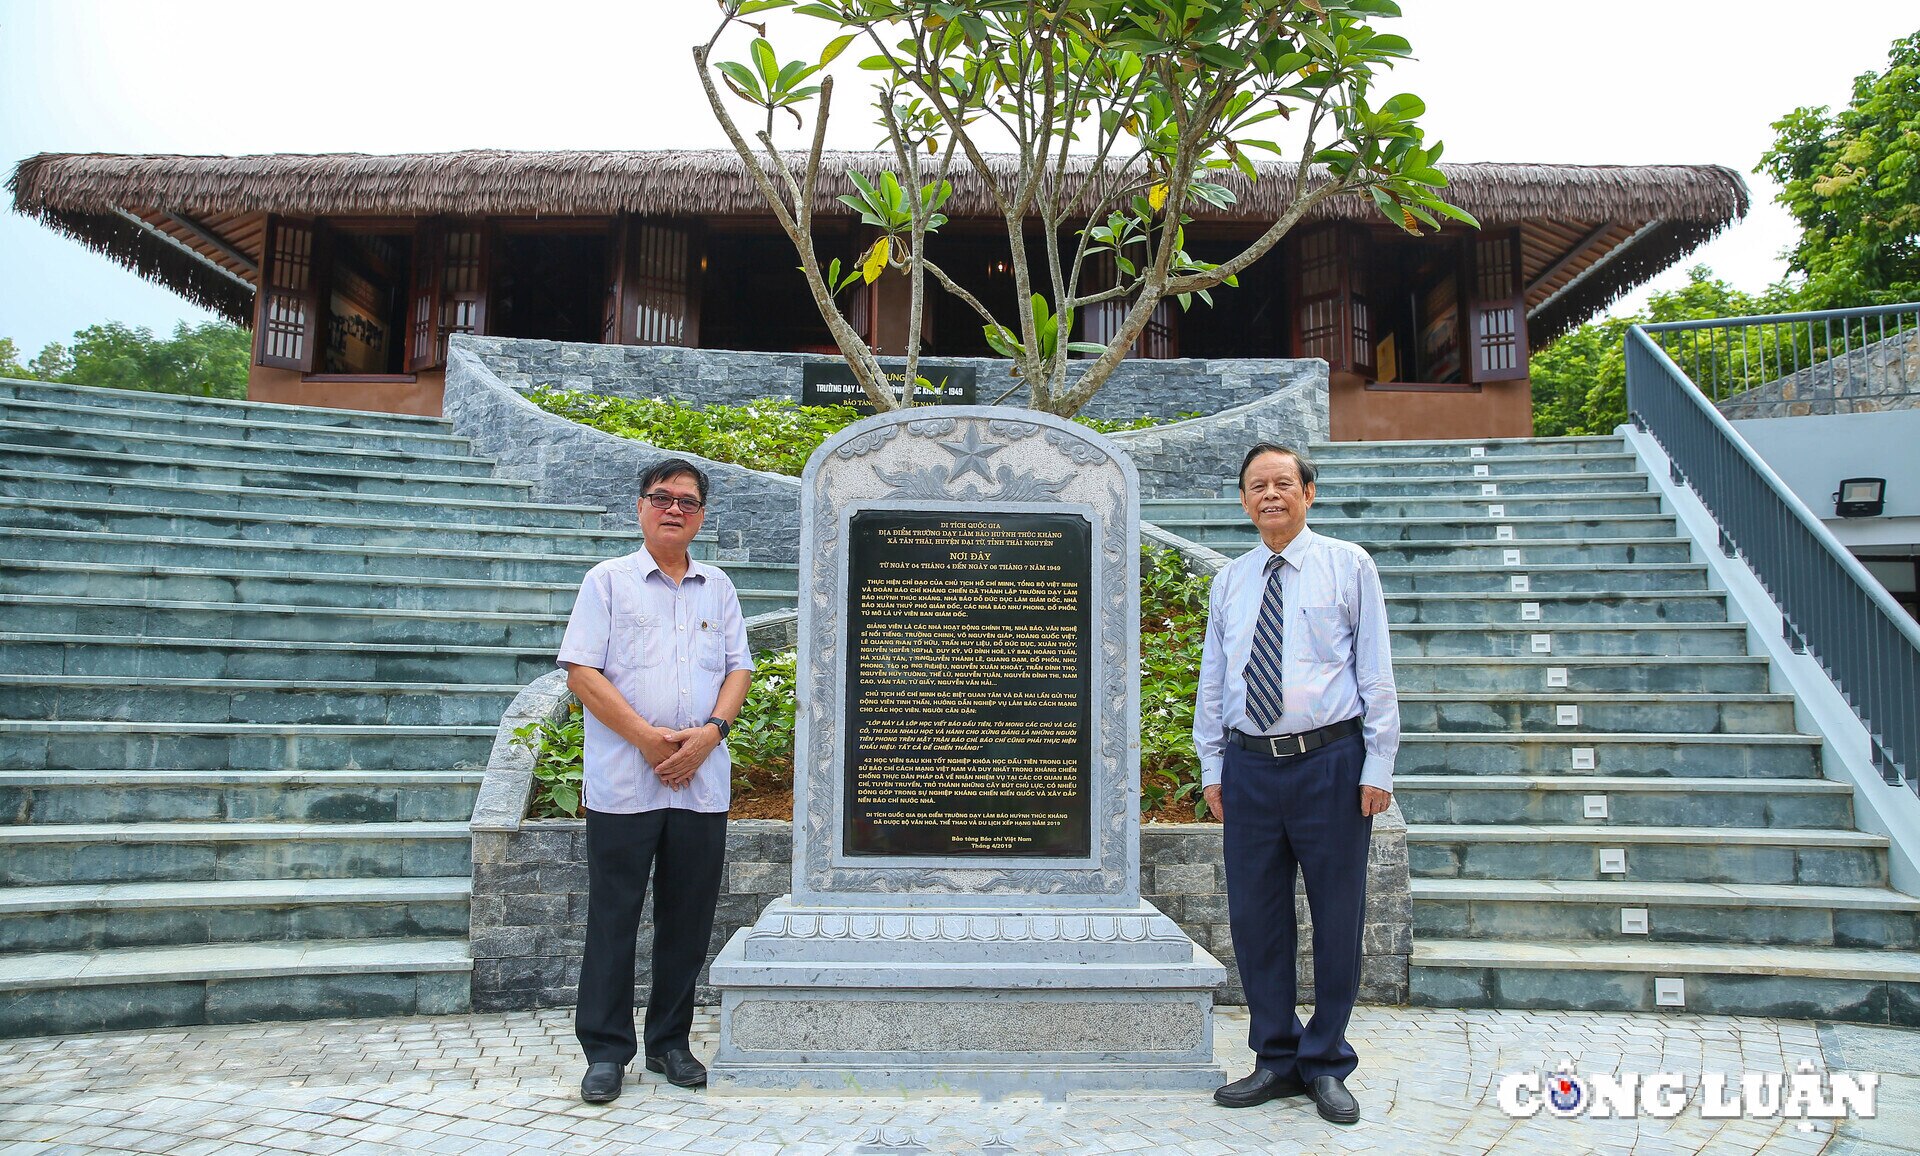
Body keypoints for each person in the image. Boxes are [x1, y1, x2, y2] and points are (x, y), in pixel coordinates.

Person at [1193, 443, 1399, 1125]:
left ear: (1308, 493)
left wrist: (1378, 766)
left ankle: (1327, 1061)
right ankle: (1275, 1057)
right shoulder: (1232, 580)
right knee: (1257, 919)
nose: (1271, 494)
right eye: (1258, 485)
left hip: (1330, 765)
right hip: (1250, 767)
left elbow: (1374, 672)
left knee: (1338, 916)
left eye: (1284, 483)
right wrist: (1213, 765)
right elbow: (1215, 680)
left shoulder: (1349, 566)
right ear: (1245, 500)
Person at [559, 457, 754, 1103]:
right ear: (640, 506)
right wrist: (648, 740)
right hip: (625, 782)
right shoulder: (607, 582)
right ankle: (607, 1052)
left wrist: (710, 735)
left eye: (688, 502)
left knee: (688, 918)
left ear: (702, 515)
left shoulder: (717, 586)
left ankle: (670, 1043)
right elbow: (582, 672)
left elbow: (737, 670)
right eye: (662, 497)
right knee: (614, 916)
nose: (674, 509)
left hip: (701, 782)